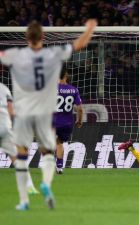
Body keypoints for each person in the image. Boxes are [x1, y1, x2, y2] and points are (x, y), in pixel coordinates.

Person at [0, 19, 97, 210]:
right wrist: (90, 29)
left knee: (21, 156)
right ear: (43, 37)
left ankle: (24, 201)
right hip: (45, 112)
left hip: (24, 112)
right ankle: (46, 182)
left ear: (26, 38)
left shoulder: (15, 55)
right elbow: (79, 44)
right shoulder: (52, 54)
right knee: (49, 152)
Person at [0, 82, 38, 195]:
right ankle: (30, 186)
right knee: (17, 160)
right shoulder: (4, 88)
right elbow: (11, 112)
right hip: (5, 127)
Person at [55, 65, 83, 174]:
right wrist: (79, 121)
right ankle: (59, 166)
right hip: (67, 123)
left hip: (52, 122)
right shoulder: (73, 90)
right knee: (59, 143)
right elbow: (80, 109)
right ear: (66, 75)